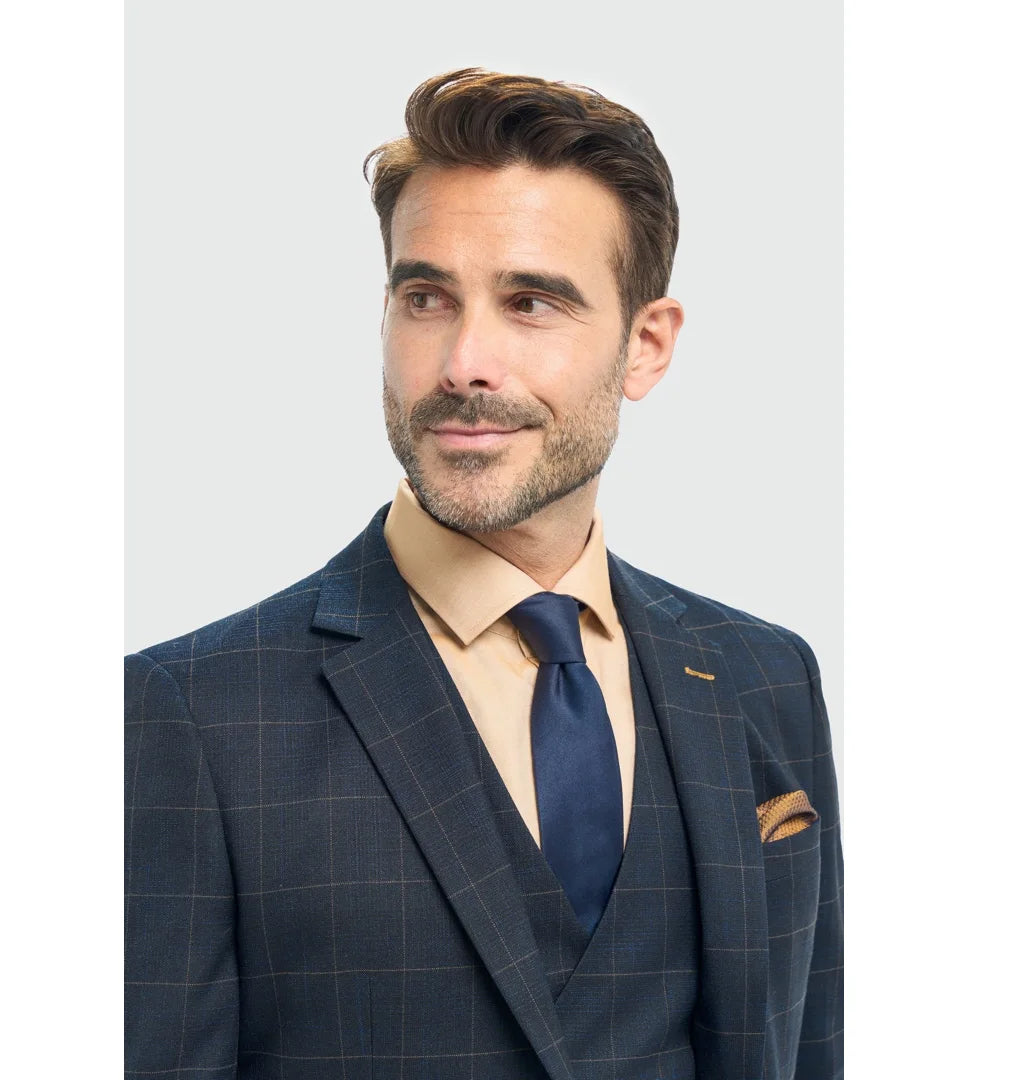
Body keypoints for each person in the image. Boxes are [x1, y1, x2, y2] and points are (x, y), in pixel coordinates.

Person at [125, 68, 843, 1080]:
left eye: (530, 302)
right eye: (426, 298)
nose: (464, 361)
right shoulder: (191, 713)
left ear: (645, 346)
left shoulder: (767, 676)